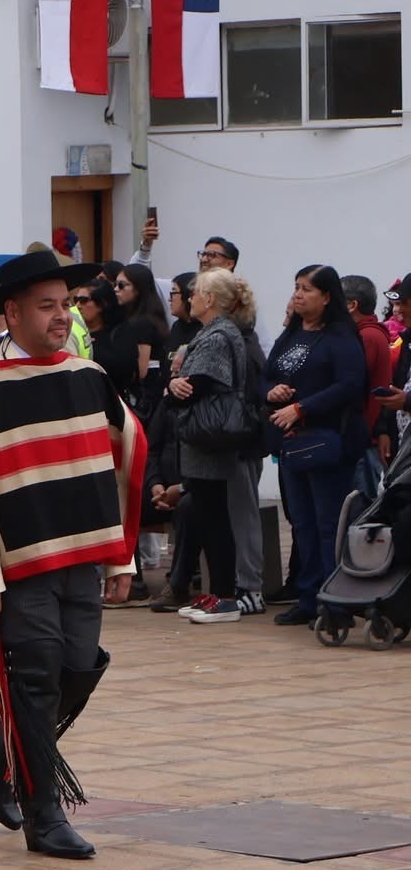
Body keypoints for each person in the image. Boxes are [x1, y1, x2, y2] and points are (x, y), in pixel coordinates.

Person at [0, 249, 145, 860]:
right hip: (18, 568)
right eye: (47, 307)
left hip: (82, 555)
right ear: (11, 314)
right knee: (39, 675)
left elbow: (118, 462)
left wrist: (122, 558)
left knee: (80, 667)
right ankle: (44, 814)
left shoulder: (88, 377)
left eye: (66, 305)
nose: (61, 318)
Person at [265, 265, 369, 627]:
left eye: (307, 289)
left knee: (329, 525)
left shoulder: (341, 337)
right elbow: (268, 373)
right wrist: (271, 391)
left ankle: (336, 603)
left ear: (327, 297)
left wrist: (302, 407)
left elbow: (350, 385)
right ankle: (308, 598)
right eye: (296, 287)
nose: (298, 294)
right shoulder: (292, 334)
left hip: (327, 442)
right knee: (302, 524)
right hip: (292, 445)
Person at [167, 271, 261, 625]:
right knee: (207, 515)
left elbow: (200, 383)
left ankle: (225, 596)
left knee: (215, 517)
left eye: (196, 294)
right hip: (201, 439)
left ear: (210, 299)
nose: (190, 299)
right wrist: (174, 384)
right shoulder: (211, 332)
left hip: (210, 436)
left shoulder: (219, 335)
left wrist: (173, 386)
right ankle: (218, 592)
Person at [345, 275, 394, 498]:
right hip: (368, 437)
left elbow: (351, 383)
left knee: (360, 511)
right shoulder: (369, 333)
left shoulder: (367, 336)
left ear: (352, 305)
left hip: (365, 439)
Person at [114, 263, 171, 419]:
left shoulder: (143, 323)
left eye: (121, 285)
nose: (116, 289)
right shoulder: (140, 318)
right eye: (115, 284)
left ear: (137, 289)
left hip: (146, 396)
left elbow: (141, 369)